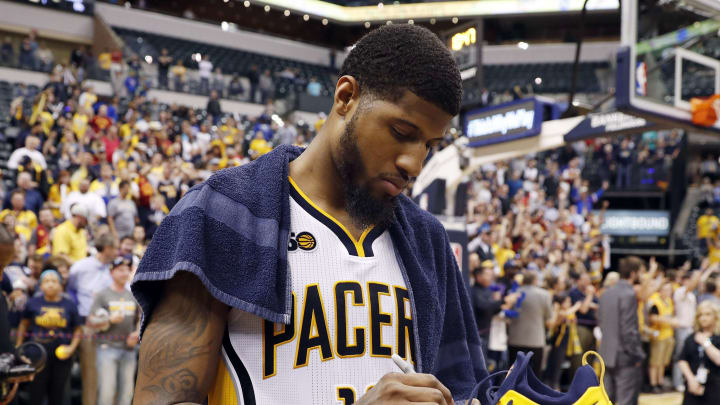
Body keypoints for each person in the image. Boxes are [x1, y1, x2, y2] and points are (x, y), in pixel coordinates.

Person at [132, 25, 485, 405]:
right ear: (347, 97)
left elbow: (462, 392)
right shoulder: (223, 212)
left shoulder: (427, 240)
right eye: (402, 132)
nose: (413, 164)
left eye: (430, 146)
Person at [16, 269, 81, 405]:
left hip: (61, 356)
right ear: (40, 285)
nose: (50, 284)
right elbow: (23, 324)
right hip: (37, 355)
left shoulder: (69, 305)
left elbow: (78, 329)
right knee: (35, 393)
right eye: (46, 281)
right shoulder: (33, 303)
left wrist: (71, 347)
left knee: (58, 394)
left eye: (54, 281)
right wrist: (19, 346)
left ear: (61, 285)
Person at [67, 232, 118, 405]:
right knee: (90, 374)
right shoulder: (81, 267)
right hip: (88, 324)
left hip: (113, 326)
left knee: (112, 373)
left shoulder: (115, 269)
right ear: (106, 248)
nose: (117, 252)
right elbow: (70, 291)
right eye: (115, 248)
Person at [88, 255, 139, 405]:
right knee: (107, 392)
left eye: (127, 270)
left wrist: (136, 334)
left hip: (129, 349)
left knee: (127, 393)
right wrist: (109, 320)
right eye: (120, 270)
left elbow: (139, 319)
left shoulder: (133, 295)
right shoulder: (102, 295)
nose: (124, 273)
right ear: (111, 272)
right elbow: (91, 321)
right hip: (106, 348)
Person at [598, 256, 646, 405]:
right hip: (624, 355)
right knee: (626, 400)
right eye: (641, 272)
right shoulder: (629, 294)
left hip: (605, 353)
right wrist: (637, 354)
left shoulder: (605, 293)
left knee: (607, 400)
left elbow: (601, 322)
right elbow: (628, 329)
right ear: (633, 273)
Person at [507, 271, 552, 376]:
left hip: (515, 338)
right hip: (536, 339)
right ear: (535, 280)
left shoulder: (513, 293)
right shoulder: (544, 294)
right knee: (534, 374)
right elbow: (549, 316)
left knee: (513, 373)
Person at [677, 301, 720, 405]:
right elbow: (682, 360)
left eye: (707, 314)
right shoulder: (691, 337)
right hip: (693, 385)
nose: (703, 318)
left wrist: (705, 343)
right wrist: (691, 379)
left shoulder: (717, 337)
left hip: (715, 386)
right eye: (700, 315)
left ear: (716, 316)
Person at [648, 281, 677, 392]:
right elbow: (652, 318)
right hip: (658, 335)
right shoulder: (655, 302)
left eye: (669, 289)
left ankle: (660, 382)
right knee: (655, 362)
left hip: (668, 334)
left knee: (663, 362)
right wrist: (669, 321)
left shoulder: (669, 301)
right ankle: (653, 384)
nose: (668, 292)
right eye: (665, 289)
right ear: (660, 291)